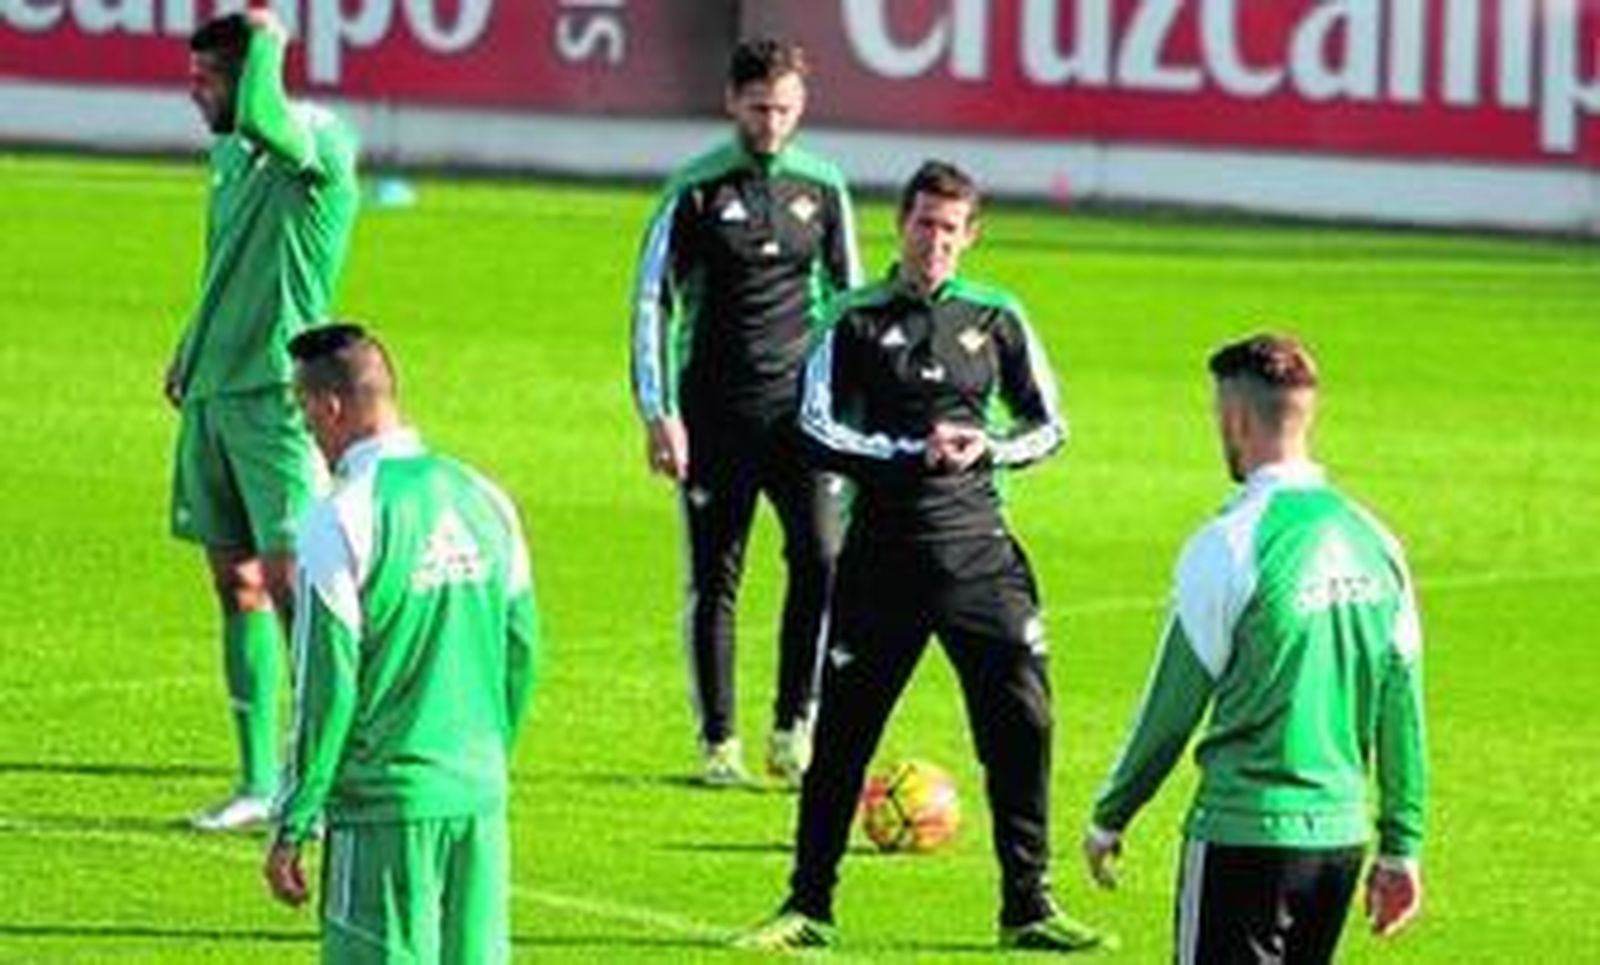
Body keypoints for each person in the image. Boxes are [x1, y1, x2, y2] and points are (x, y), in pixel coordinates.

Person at [735, 161, 1112, 952]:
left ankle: (1028, 906)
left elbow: (1050, 426)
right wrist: (914, 452)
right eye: (922, 224)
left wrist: (989, 448)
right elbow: (814, 428)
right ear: (898, 227)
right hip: (882, 561)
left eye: (950, 229)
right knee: (842, 738)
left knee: (1022, 725)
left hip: (981, 557)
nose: (934, 240)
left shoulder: (997, 317)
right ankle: (808, 904)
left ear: (969, 236)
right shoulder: (852, 319)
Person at [1083, 334, 1428, 963]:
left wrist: (1111, 814)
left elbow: (1171, 708)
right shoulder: (1376, 540)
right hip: (1339, 842)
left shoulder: (1229, 544)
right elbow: (1401, 705)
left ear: (1236, 417)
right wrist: (1401, 847)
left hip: (1242, 834)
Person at [264, 324, 540, 964]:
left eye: (305, 413)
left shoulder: (338, 519)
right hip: (477, 798)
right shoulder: (485, 496)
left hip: (383, 809)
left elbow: (323, 691)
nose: (307, 432)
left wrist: (294, 821)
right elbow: (523, 651)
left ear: (330, 406)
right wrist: (483, 758)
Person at [628, 38, 861, 786]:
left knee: (822, 559)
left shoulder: (823, 188)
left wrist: (852, 414)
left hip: (804, 419)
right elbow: (650, 303)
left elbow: (851, 302)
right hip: (714, 414)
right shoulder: (695, 190)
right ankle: (719, 742)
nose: (772, 122)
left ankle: (796, 725)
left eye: (786, 108)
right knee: (716, 577)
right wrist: (658, 411)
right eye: (759, 107)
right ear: (732, 101)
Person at [167, 8, 360, 830]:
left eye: (208, 78)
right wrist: (189, 344)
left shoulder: (313, 138)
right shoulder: (229, 155)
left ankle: (319, 776)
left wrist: (268, 33)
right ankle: (255, 782)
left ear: (248, 78)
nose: (195, 93)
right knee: (234, 582)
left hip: (277, 402)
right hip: (213, 390)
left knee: (298, 592)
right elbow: (224, 260)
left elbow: (264, 113)